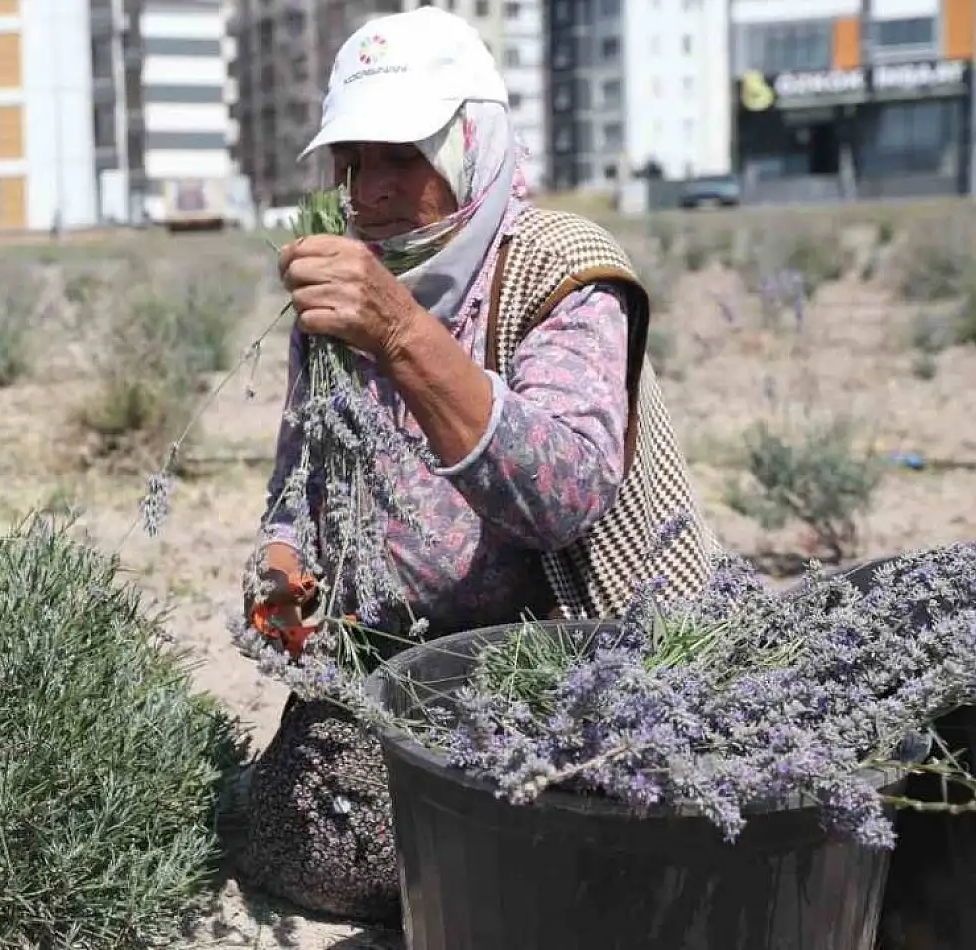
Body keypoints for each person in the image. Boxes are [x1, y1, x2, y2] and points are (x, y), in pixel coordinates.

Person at [231, 7, 719, 924]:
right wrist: (285, 561)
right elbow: (298, 480)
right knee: (311, 846)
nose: (369, 190)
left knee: (588, 855)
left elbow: (563, 497)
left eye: (403, 157)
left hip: (577, 652)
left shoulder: (562, 269)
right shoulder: (343, 289)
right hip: (401, 666)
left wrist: (404, 334)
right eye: (354, 162)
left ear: (469, 144)